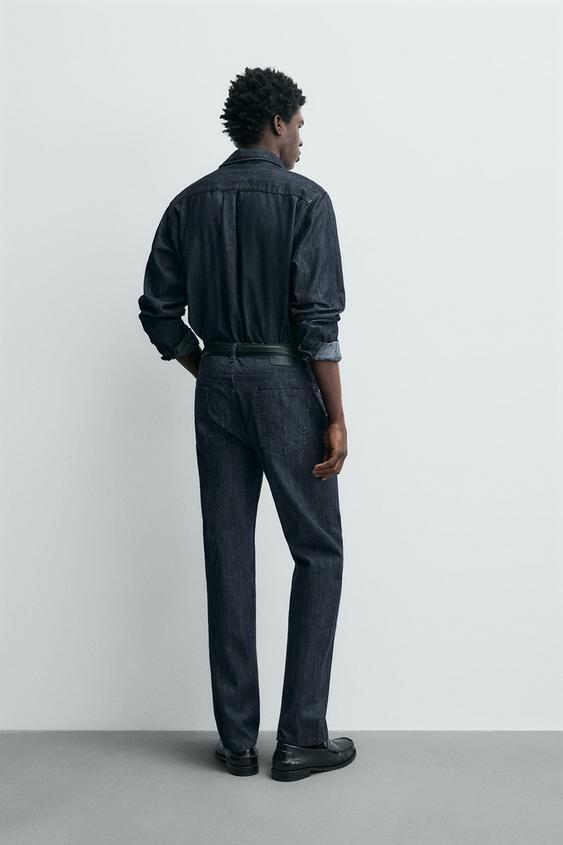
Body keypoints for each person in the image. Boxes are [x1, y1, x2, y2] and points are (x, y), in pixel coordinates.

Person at [137, 66, 356, 782]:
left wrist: (210, 368)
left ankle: (236, 743)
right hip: (285, 383)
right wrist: (336, 415)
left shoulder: (189, 202)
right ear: (276, 123)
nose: (302, 139)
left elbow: (158, 311)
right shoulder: (305, 200)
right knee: (318, 551)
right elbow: (316, 321)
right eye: (299, 125)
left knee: (228, 554)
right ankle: (300, 738)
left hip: (219, 386)